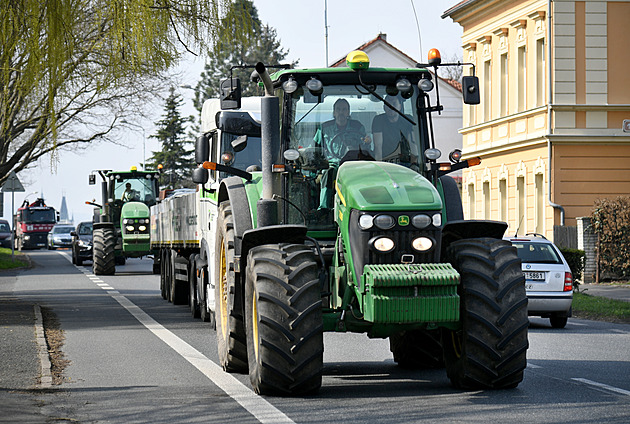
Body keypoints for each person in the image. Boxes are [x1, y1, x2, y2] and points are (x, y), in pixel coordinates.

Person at [312, 98, 370, 209]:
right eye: (338, 109)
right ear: (334, 112)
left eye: (344, 109)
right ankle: (323, 208)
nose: (341, 112)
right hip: (331, 164)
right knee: (328, 173)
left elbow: (365, 147)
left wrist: (367, 141)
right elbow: (314, 149)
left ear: (348, 112)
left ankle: (360, 207)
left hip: (352, 165)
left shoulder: (357, 127)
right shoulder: (324, 128)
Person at [372, 95, 417, 163]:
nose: (391, 107)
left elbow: (412, 143)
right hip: (386, 160)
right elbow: (378, 146)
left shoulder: (408, 120)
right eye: (388, 104)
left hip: (404, 160)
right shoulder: (378, 120)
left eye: (394, 104)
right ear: (384, 107)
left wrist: (414, 163)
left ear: (400, 106)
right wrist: (380, 165)